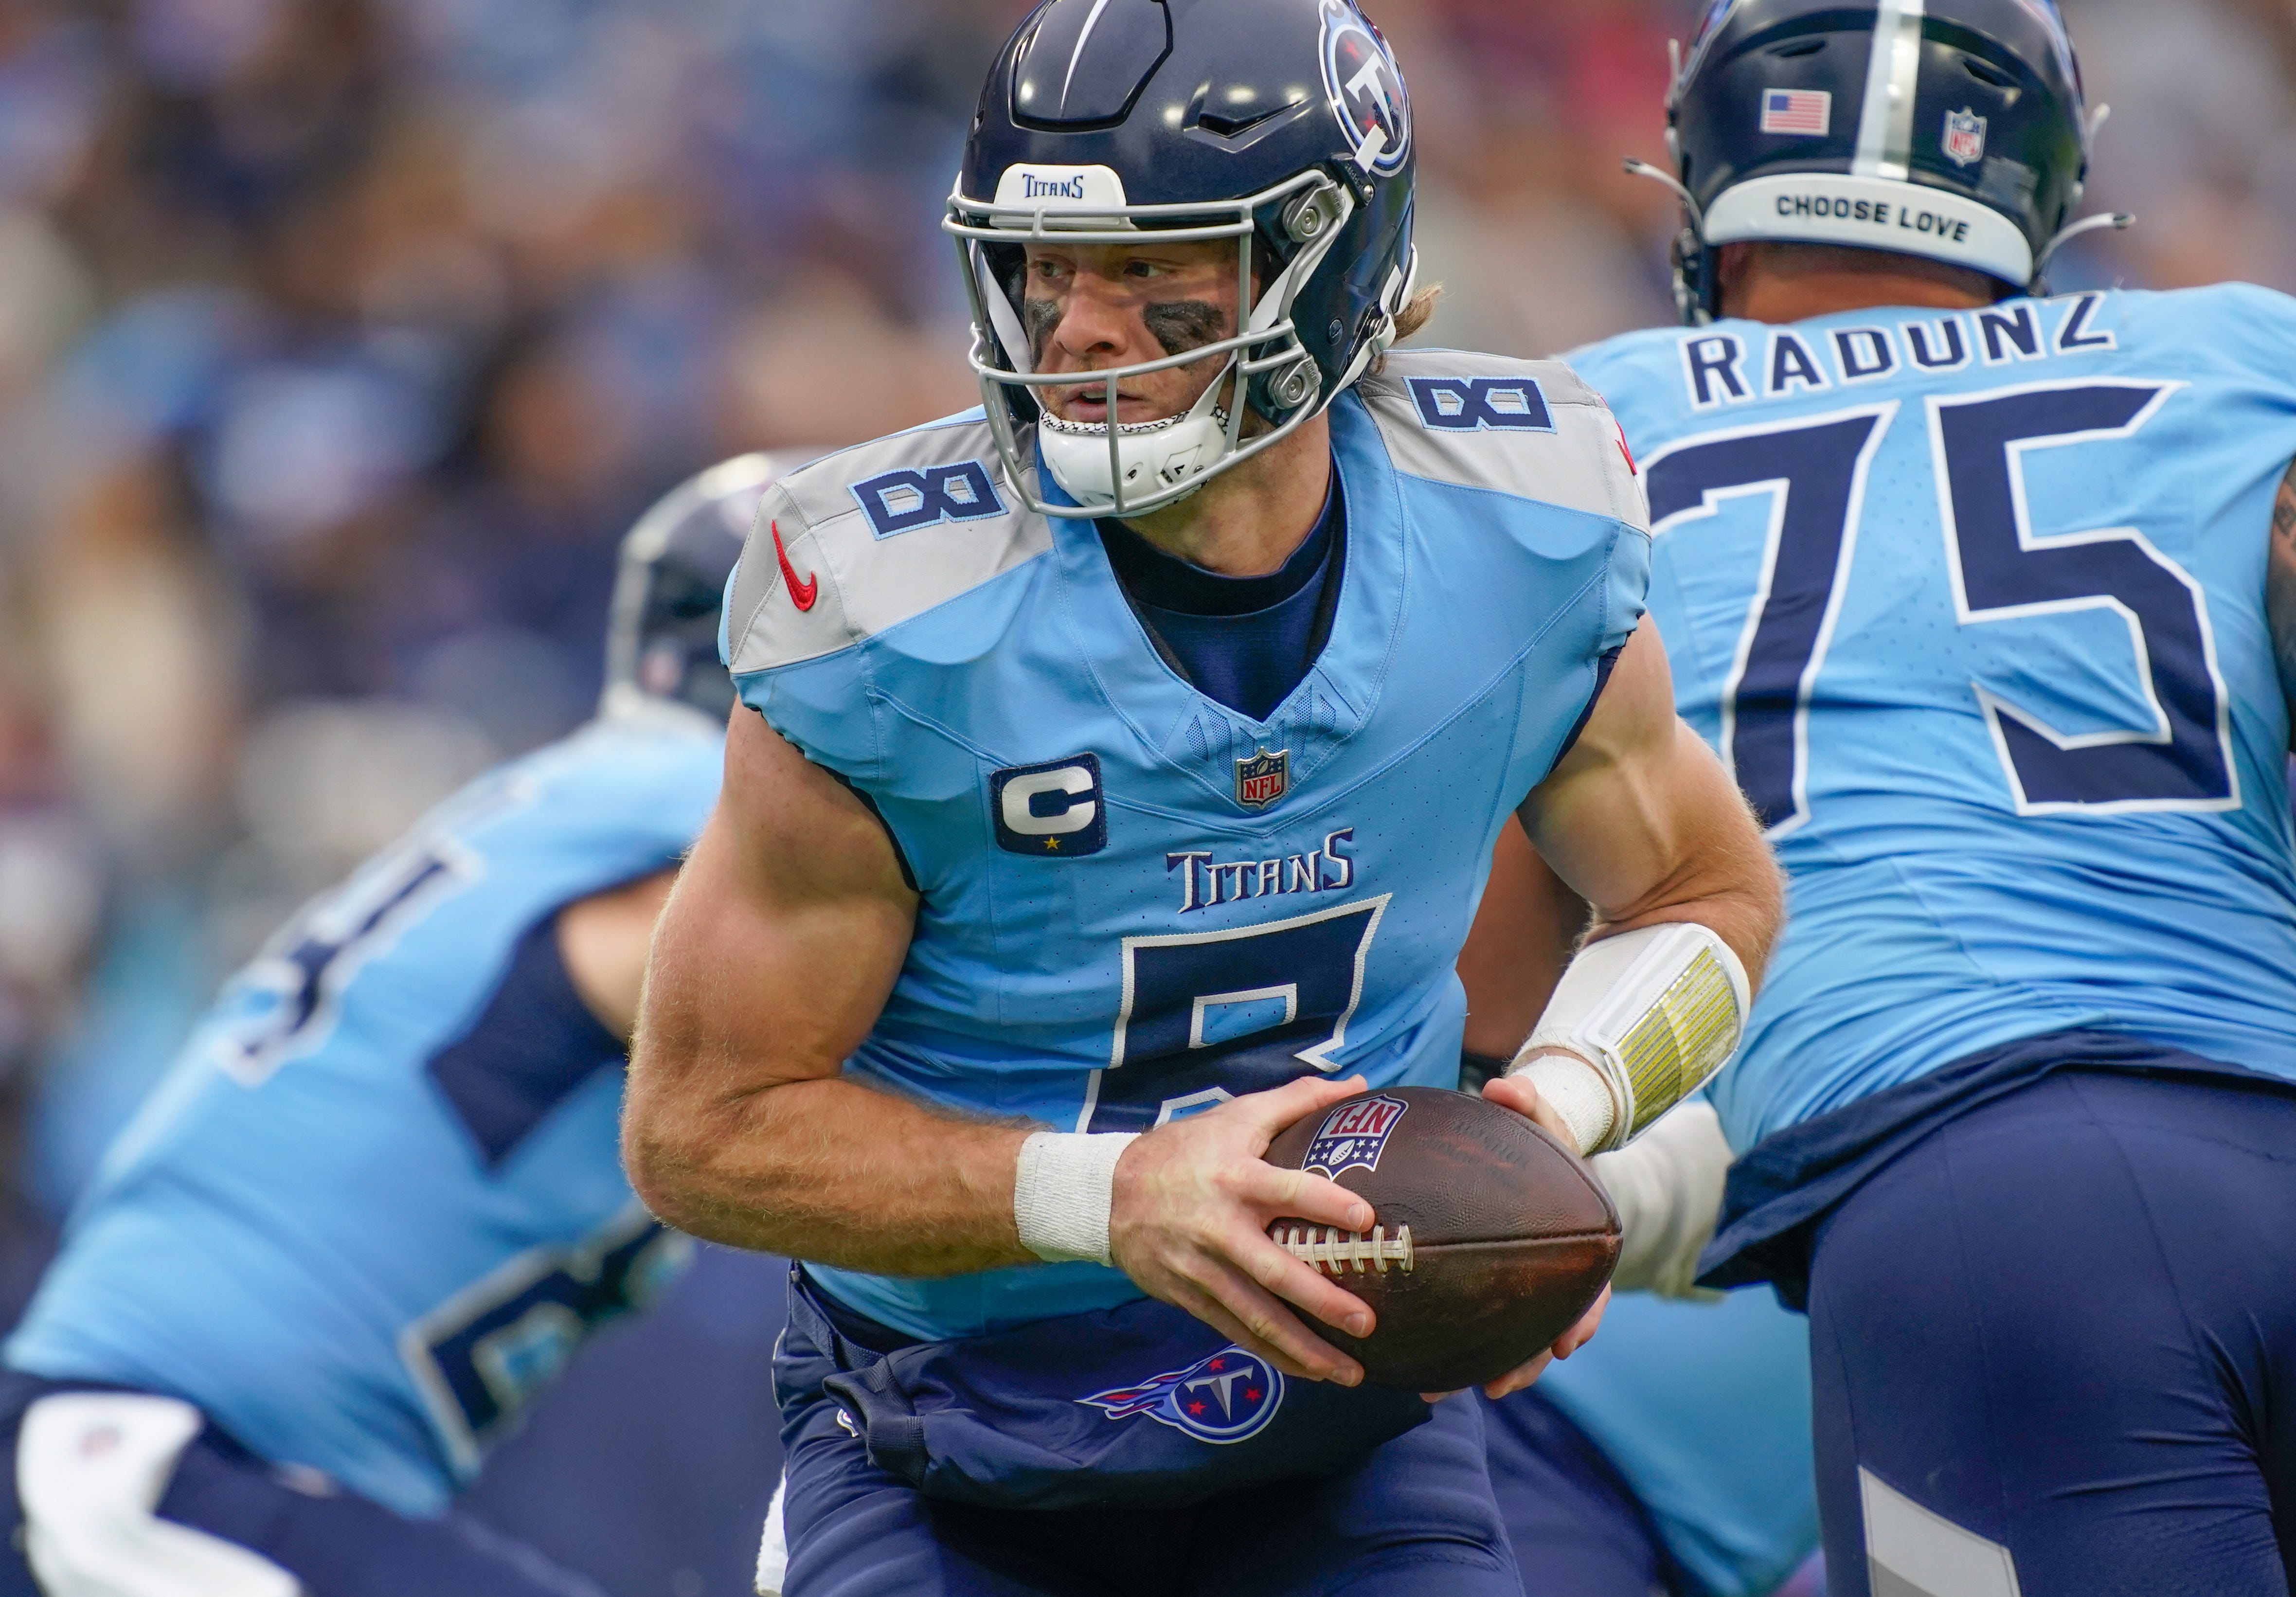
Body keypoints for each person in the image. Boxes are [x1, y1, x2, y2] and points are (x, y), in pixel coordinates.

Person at [624, 2, 1783, 1594]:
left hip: (1351, 1398)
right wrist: (1106, 1195)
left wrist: (1554, 1120)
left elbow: (1704, 889)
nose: (1077, 332)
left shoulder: (1520, 526)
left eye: (1152, 267)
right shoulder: (891, 621)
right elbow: (701, 1128)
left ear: (1331, 259)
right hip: (957, 1427)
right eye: (1044, 269)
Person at [1564, 0, 2296, 1591]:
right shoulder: (2251, 350)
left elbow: (1485, 974)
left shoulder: (1565, 427)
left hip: (1979, 1219)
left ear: (1709, 168)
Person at [0, 454, 787, 1596]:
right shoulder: (692, 823)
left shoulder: (581, 802)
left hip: (181, 1458)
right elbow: (717, 963)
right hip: (160, 1457)